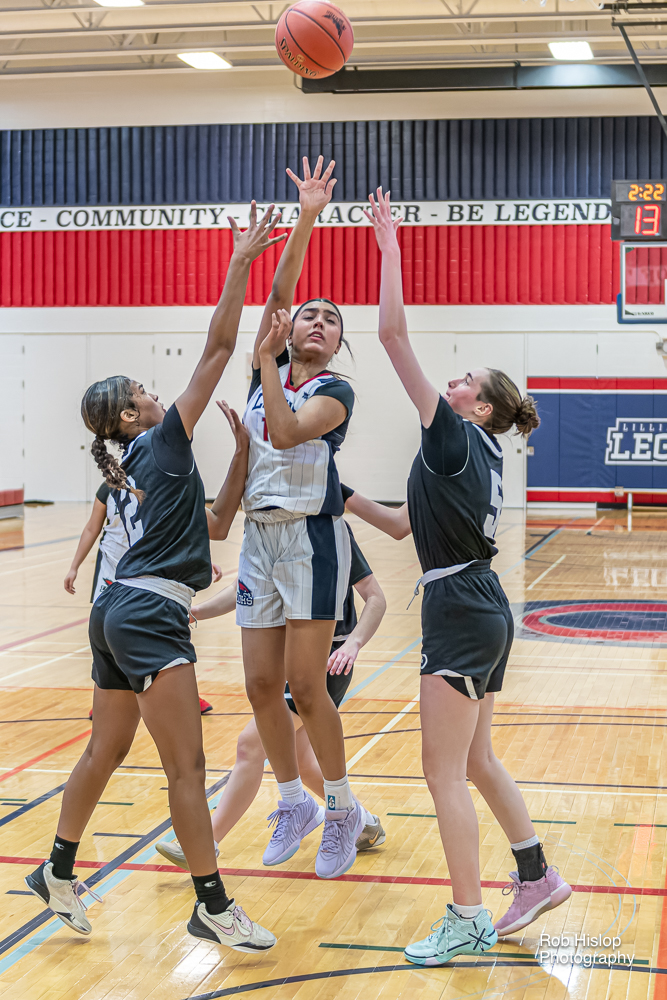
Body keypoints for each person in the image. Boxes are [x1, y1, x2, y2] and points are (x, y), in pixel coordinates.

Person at [24, 202, 286, 954]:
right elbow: (220, 345)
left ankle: (57, 870)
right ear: (131, 417)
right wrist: (240, 261)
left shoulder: (145, 464)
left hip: (116, 611)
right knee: (187, 767)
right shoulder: (163, 441)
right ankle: (212, 905)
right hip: (146, 614)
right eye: (142, 388)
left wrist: (241, 458)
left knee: (104, 752)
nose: (155, 391)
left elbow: (215, 526)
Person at [342, 188, 572, 966]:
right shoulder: (478, 453)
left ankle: (468, 916)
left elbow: (390, 334)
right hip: (480, 602)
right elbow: (400, 526)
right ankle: (535, 876)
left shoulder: (450, 437)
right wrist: (336, 492)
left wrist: (389, 249)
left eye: (466, 378)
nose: (452, 381)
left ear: (481, 407)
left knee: (440, 772)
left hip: (460, 607)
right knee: (474, 761)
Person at [238, 155, 365, 880]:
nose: (316, 321)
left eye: (330, 319)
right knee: (260, 687)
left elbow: (286, 435)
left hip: (312, 542)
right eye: (309, 315)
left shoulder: (334, 390)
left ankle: (341, 807)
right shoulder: (269, 365)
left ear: (338, 343)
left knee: (306, 688)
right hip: (258, 538)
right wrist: (307, 216)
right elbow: (278, 294)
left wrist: (266, 361)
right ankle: (294, 802)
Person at [155, 522, 387, 869]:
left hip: (324, 660)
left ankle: (205, 842)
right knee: (302, 763)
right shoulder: (265, 529)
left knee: (250, 745)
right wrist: (198, 611)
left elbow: (376, 597)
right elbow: (245, 589)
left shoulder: (329, 528)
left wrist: (354, 642)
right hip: (283, 659)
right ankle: (362, 822)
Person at [64, 488, 222, 716]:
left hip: (148, 572)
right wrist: (74, 567)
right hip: (112, 567)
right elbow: (92, 527)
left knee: (172, 629)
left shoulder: (154, 481)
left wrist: (201, 558)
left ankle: (183, 691)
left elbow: (172, 529)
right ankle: (106, 694)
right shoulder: (108, 487)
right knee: (106, 636)